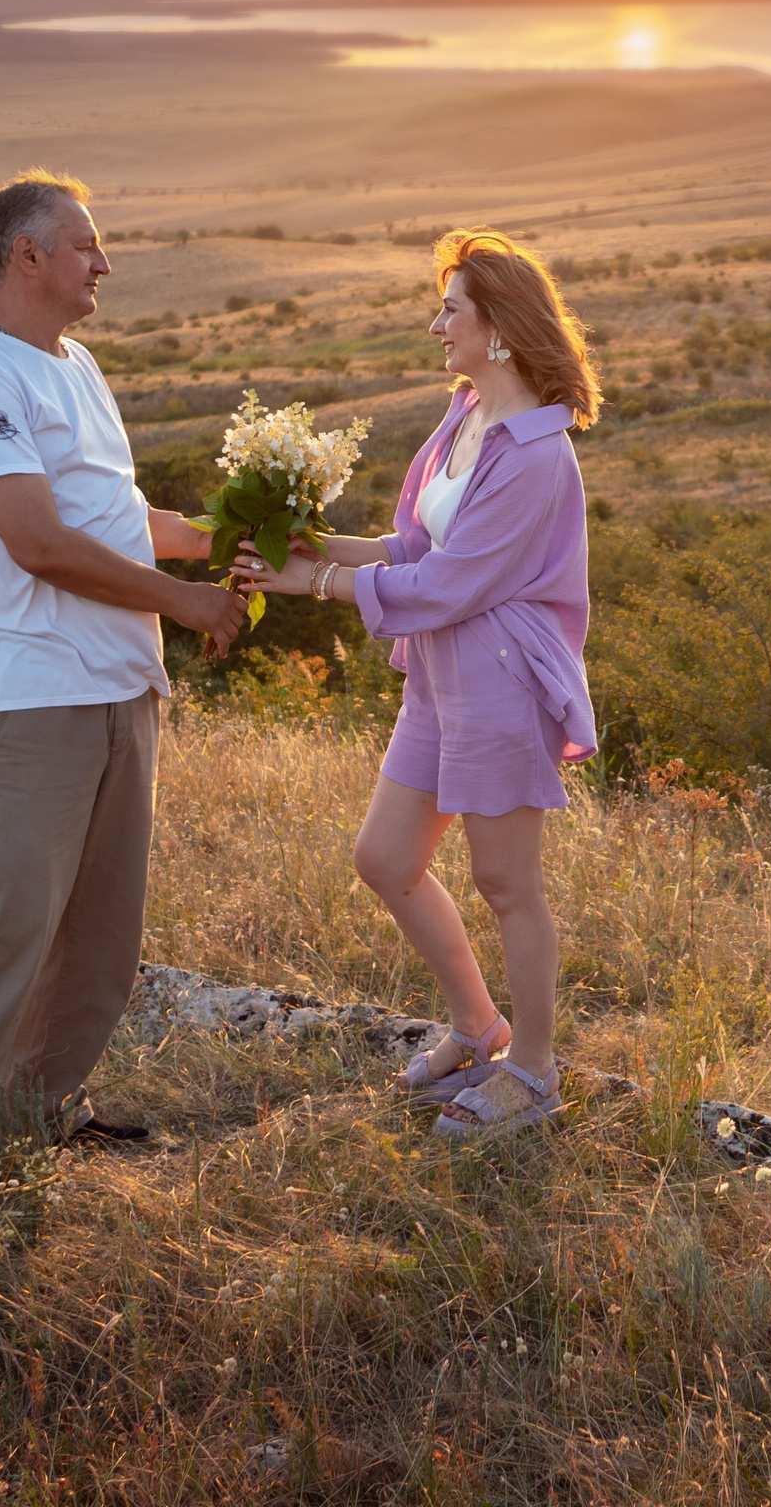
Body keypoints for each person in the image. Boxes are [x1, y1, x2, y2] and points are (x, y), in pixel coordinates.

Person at [0, 170, 248, 1191]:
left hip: (122, 682)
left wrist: (231, 538)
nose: (104, 263)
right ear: (27, 256)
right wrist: (188, 604)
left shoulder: (76, 365)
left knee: (100, 934)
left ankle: (39, 1111)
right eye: (86, 244)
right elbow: (36, 542)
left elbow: (121, 519)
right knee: (7, 926)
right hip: (33, 690)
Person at [233, 228, 598, 1137]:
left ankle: (535, 1071)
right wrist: (305, 546)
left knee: (505, 882)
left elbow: (448, 584)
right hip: (440, 676)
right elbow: (412, 547)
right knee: (386, 860)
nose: (437, 326)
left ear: (499, 327)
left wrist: (315, 582)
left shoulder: (537, 453)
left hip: (501, 681)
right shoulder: (462, 417)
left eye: (450, 310)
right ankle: (479, 1028)